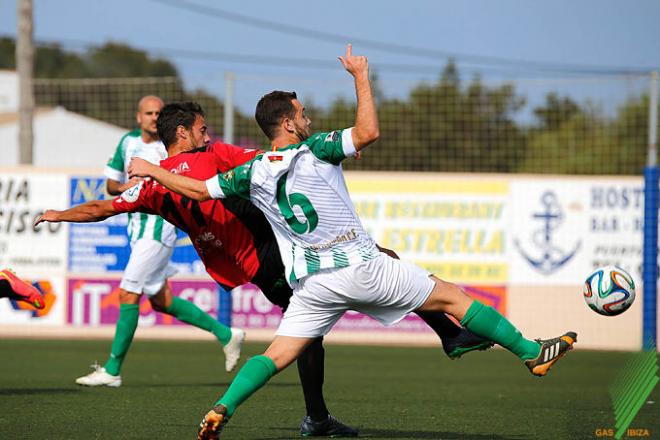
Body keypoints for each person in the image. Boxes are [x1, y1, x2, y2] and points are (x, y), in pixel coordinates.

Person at [126, 45, 577, 439]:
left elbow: (199, 191)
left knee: (279, 352)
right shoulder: (317, 147)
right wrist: (362, 76)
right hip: (361, 267)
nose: (308, 118)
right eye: (302, 113)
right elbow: (367, 133)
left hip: (313, 285)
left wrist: (154, 172)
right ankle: (532, 352)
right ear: (288, 121)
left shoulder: (252, 171)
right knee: (450, 296)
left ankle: (222, 406)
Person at [36, 101, 492, 438]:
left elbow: (103, 207)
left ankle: (330, 407)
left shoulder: (151, 184)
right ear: (184, 134)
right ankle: (324, 411)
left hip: (254, 264)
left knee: (334, 305)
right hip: (272, 252)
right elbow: (268, 161)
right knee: (351, 287)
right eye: (201, 128)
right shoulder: (213, 156)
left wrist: (58, 214)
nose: (207, 133)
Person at [75, 95, 244, 389]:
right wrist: (127, 187)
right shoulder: (128, 142)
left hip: (159, 228)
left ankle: (112, 370)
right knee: (160, 299)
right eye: (149, 113)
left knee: (128, 292)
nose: (154, 117)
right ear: (139, 117)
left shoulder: (173, 148)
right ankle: (227, 334)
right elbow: (111, 185)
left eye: (158, 113)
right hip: (136, 227)